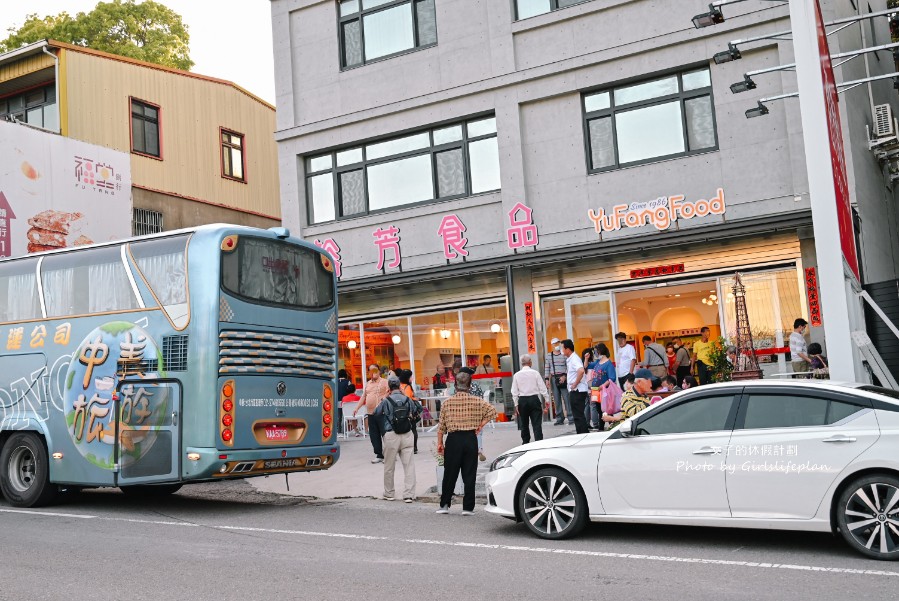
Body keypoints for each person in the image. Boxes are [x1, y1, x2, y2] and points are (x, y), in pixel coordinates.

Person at [436, 371, 496, 515]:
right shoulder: (477, 401)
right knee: (469, 473)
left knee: (450, 473)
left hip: (453, 439)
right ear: (469, 384)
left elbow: (441, 427)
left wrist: (440, 444)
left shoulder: (447, 403)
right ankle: (467, 508)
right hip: (470, 438)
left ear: (455, 384)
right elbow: (492, 411)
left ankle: (444, 504)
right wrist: (481, 425)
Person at [373, 375, 421, 502]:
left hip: (391, 435)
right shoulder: (407, 399)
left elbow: (376, 413)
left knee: (389, 467)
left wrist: (384, 398)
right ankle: (409, 495)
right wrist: (405, 395)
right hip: (407, 434)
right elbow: (417, 409)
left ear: (389, 387)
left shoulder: (386, 400)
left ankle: (389, 493)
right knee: (409, 466)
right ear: (400, 386)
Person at [511, 354, 549, 445]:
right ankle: (539, 442)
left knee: (524, 424)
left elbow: (514, 391)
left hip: (522, 401)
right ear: (530, 362)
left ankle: (525, 442)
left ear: (521, 363)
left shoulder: (517, 375)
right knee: (537, 424)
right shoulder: (535, 373)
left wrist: (516, 404)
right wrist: (546, 400)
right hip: (534, 399)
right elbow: (542, 388)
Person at [354, 364, 389, 463]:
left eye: (375, 370)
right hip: (370, 413)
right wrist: (356, 408)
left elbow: (390, 391)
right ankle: (379, 455)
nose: (373, 372)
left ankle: (389, 455)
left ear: (379, 371)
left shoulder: (385, 382)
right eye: (371, 371)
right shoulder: (368, 383)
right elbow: (363, 397)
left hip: (382, 412)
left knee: (385, 434)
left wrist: (384, 397)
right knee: (374, 435)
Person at [561, 339, 590, 434]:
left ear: (567, 349)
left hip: (577, 390)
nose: (561, 350)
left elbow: (581, 371)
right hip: (575, 390)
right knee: (577, 415)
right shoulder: (570, 359)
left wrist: (575, 383)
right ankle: (581, 434)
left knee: (578, 415)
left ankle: (583, 434)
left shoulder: (574, 358)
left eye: (562, 348)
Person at [459, 366, 487, 461]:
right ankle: (479, 449)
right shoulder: (475, 386)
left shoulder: (457, 387)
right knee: (478, 432)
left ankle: (466, 451)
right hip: (476, 413)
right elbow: (481, 398)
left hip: (463, 414)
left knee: (464, 433)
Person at [589, 343, 617, 430]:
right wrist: (586, 359)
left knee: (606, 408)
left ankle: (611, 426)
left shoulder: (608, 364)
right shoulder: (597, 362)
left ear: (600, 351)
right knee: (598, 409)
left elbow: (612, 378)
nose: (595, 354)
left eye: (596, 352)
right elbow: (587, 366)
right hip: (596, 390)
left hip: (604, 390)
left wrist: (603, 385)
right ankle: (601, 427)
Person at [544, 337, 572, 425]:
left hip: (563, 377)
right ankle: (560, 418)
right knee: (556, 399)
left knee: (566, 397)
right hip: (553, 378)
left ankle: (571, 417)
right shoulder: (549, 356)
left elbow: (568, 367)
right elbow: (547, 368)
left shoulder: (564, 355)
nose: (556, 345)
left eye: (557, 343)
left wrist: (565, 376)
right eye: (554, 344)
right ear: (552, 345)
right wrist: (547, 379)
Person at [398, 369, 422, 454]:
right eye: (411, 376)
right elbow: (407, 398)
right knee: (413, 429)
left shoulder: (399, 386)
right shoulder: (407, 387)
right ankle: (414, 447)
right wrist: (416, 399)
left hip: (399, 411)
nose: (412, 378)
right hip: (408, 411)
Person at [337, 369, 352, 436]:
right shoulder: (348, 381)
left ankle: (339, 431)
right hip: (346, 401)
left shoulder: (335, 381)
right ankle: (344, 431)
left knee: (339, 417)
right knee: (345, 416)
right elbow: (350, 390)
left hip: (337, 401)